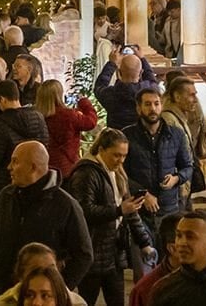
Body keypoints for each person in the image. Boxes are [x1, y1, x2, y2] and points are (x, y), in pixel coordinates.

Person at [0, 140, 92, 294]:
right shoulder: (5, 197)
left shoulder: (65, 205)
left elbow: (83, 255)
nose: (9, 167)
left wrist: (57, 290)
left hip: (40, 299)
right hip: (1, 295)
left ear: (33, 167)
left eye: (15, 161)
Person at [65, 127, 155, 306]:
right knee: (86, 300)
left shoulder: (118, 172)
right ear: (101, 150)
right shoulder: (86, 173)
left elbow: (130, 211)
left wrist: (145, 243)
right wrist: (119, 210)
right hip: (92, 253)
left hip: (114, 253)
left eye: (124, 156)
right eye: (116, 155)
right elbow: (83, 211)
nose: (120, 160)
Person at [122, 87, 191, 217]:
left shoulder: (176, 134)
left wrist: (176, 178)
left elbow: (187, 167)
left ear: (161, 106)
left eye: (156, 103)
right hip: (138, 207)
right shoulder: (127, 136)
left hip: (169, 206)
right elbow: (120, 172)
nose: (153, 109)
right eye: (147, 104)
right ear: (139, 108)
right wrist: (143, 193)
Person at [0, 78, 50, 203]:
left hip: (8, 182)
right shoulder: (38, 117)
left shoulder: (1, 124)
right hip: (36, 180)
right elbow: (44, 146)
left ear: (2, 99)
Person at [36, 78, 98, 180]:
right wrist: (84, 103)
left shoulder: (36, 116)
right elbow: (90, 122)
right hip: (68, 165)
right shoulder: (68, 115)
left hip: (44, 165)